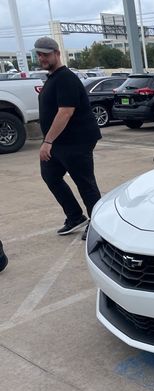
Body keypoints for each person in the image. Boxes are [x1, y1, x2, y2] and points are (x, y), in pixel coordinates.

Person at [35, 37, 102, 240]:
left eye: (46, 54)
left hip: (76, 141)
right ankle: (75, 217)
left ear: (57, 53)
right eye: (39, 54)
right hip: (59, 143)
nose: (42, 58)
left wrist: (48, 141)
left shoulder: (66, 78)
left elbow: (65, 112)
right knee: (51, 176)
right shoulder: (53, 78)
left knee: (85, 183)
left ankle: (98, 225)